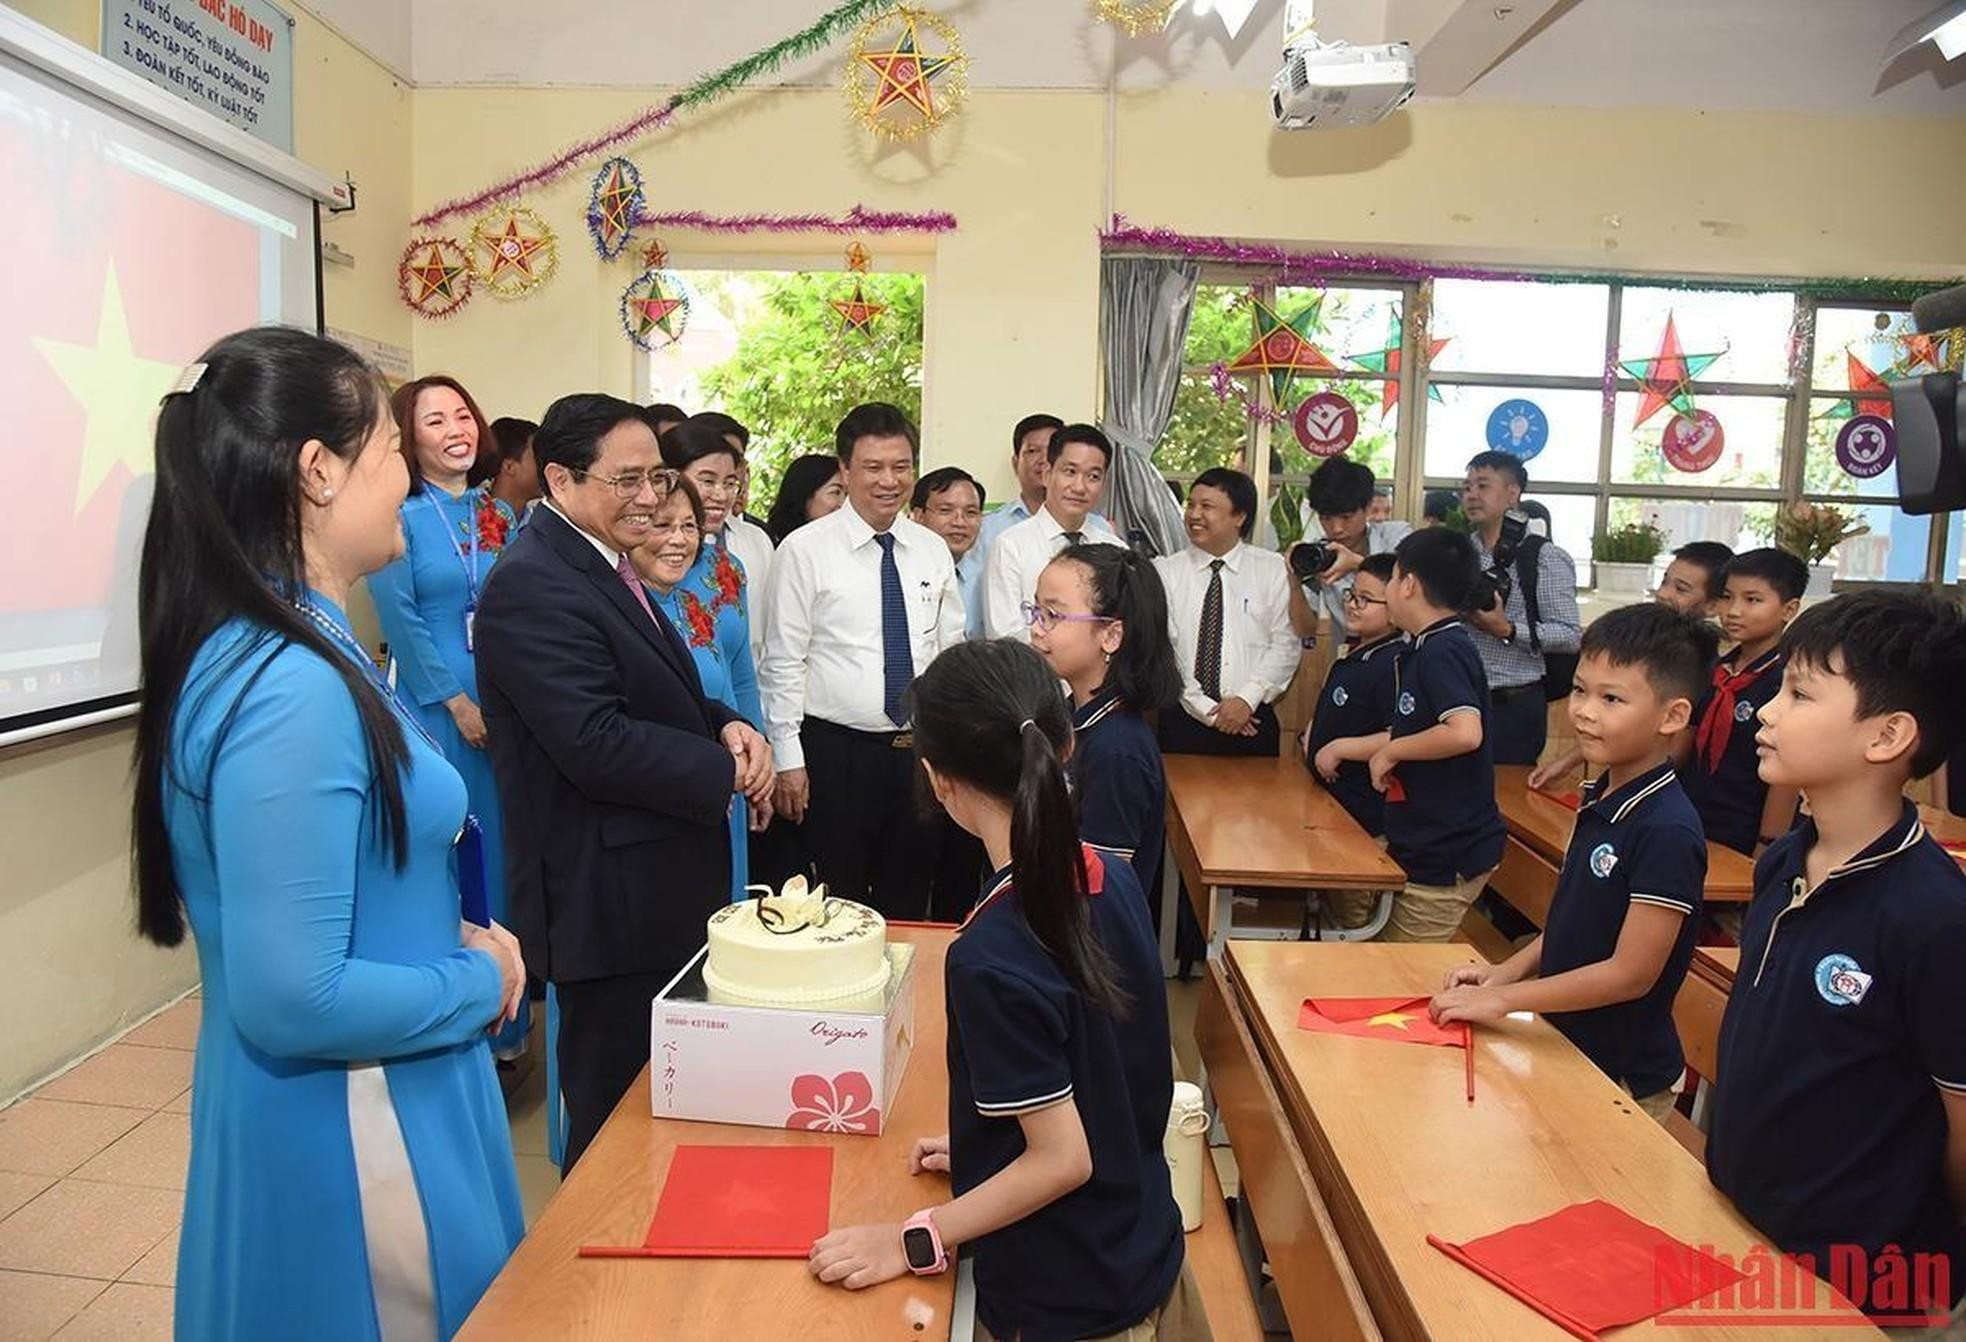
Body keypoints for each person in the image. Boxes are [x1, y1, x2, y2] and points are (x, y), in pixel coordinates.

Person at [132, 327, 524, 1340]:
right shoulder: (291, 685)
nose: (406, 476)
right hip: (358, 1123)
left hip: (388, 1078)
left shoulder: (303, 642)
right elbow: (292, 997)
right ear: (317, 471)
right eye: (390, 450)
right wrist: (484, 981)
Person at [809, 640, 1199, 1342]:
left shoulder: (989, 955)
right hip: (1141, 1244)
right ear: (1065, 741)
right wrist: (991, 1145)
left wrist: (911, 1238)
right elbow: (1102, 1073)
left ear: (936, 778)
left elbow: (1062, 1159)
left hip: (1068, 1295)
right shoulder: (1103, 876)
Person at [474, 393, 773, 1169]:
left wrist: (720, 721)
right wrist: (725, 770)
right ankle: (592, 1285)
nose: (652, 496)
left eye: (658, 475)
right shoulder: (534, 581)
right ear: (561, 479)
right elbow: (593, 740)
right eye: (628, 479)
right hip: (605, 899)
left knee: (658, 1112)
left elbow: (649, 688)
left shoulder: (600, 561)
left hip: (651, 885)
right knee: (615, 1128)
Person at [1706, 592, 1966, 1331]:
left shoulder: (1934, 917)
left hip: (1863, 1274)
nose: (1766, 712)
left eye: (1800, 694)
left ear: (1887, 735)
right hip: (1746, 1223)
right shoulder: (1787, 858)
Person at [1431, 604, 1717, 1121]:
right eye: (1581, 690)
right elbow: (1578, 921)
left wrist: (1507, 999)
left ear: (1672, 716)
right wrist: (1505, 973)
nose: (1584, 710)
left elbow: (1630, 974)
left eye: (1611, 698)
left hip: (1620, 1076)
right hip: (1567, 1044)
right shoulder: (1603, 794)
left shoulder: (1667, 829)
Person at [367, 375, 527, 1056]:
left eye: (463, 414)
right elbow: (400, 622)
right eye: (435, 421)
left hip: (511, 697)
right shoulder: (396, 515)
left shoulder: (504, 517)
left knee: (510, 846)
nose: (456, 429)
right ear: (409, 437)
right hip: (439, 706)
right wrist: (455, 701)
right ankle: (462, 1014)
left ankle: (511, 1018)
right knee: (460, 848)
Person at [760, 402, 966, 918]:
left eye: (900, 467)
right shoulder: (805, 551)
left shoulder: (931, 550)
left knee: (908, 897)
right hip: (836, 756)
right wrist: (788, 758)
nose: (888, 481)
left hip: (918, 755)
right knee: (835, 903)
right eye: (873, 467)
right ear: (846, 470)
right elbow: (783, 659)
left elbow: (949, 654)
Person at [1366, 528, 1507, 942]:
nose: (1389, 589)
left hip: (1448, 850)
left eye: (1391, 579)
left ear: (1408, 584)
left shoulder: (1444, 649)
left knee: (1401, 973)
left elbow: (1465, 733)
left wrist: (1392, 751)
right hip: (1424, 839)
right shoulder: (1426, 645)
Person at [1029, 542, 1184, 916]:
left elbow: (1099, 893)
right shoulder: (1072, 716)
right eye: (1035, 609)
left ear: (1111, 636)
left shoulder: (1117, 748)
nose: (1035, 628)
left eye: (1052, 614)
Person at [634, 472, 765, 904]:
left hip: (727, 782)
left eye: (688, 526)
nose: (678, 540)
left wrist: (760, 760)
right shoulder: (618, 613)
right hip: (660, 796)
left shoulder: (698, 601)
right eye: (661, 524)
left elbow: (738, 677)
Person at [1525, 540, 1734, 792]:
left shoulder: (1699, 667)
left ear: (1713, 605)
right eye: (1664, 581)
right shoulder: (1649, 647)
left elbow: (1675, 753)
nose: (1664, 593)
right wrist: (1566, 764)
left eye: (1682, 589)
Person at [1155, 467, 1299, 757]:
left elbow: (1286, 645)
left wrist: (1246, 700)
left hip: (1253, 719)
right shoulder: (1165, 571)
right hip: (1183, 720)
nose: (1194, 515)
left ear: (1239, 516)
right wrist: (1209, 711)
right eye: (1191, 505)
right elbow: (1166, 649)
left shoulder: (1272, 570)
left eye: (1206, 506)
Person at [1680, 548, 1807, 857]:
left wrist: (1767, 845)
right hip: (1693, 821)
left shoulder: (1789, 680)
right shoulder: (1715, 670)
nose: (1733, 611)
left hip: (1747, 831)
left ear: (1788, 609)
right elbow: (1683, 744)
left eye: (1752, 600)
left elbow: (1787, 774)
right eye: (1726, 597)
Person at [1459, 450, 1583, 766]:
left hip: (1513, 705)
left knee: (1505, 798)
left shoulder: (1544, 557)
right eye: (1467, 486)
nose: (1472, 495)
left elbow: (1569, 635)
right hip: (1458, 698)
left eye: (1483, 486)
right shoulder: (1460, 554)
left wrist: (1508, 630)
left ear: (1513, 493)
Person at [984, 424, 1124, 641]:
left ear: (1104, 484)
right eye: (1070, 472)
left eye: (1093, 477)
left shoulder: (1116, 550)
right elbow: (1004, 637)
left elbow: (1125, 624)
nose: (1079, 487)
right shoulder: (1011, 546)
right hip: (1032, 673)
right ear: (1048, 474)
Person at [1307, 553, 1406, 838]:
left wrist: (1338, 748)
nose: (1352, 605)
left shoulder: (1393, 663)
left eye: (1365, 599)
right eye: (1351, 595)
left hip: (1362, 809)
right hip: (1330, 799)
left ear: (1395, 608)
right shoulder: (1354, 655)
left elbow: (1399, 735)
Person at [685, 411, 775, 652]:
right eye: (707, 479)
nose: (720, 494)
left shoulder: (757, 541)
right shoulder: (650, 547)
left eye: (729, 480)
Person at [1292, 457, 1412, 636]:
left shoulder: (1397, 536)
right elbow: (1305, 630)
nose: (1336, 528)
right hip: (1349, 657)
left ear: (1368, 508)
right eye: (1326, 518)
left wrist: (1358, 564)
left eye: (1346, 517)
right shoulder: (1319, 554)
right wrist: (1293, 581)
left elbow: (1413, 594)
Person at [912, 465, 988, 641]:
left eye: (971, 512)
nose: (959, 522)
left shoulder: (987, 577)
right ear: (918, 516)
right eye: (946, 511)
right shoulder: (900, 573)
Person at [977, 412, 1063, 555]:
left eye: (1052, 451)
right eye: (1033, 451)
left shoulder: (1095, 527)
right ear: (1016, 464)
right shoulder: (986, 528)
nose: (1044, 460)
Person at [766, 452, 848, 544]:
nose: (844, 503)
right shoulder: (768, 546)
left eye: (847, 494)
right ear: (805, 494)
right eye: (836, 492)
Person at [473, 414, 543, 517]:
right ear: (509, 467)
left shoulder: (538, 521)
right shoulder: (469, 518)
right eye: (538, 457)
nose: (546, 466)